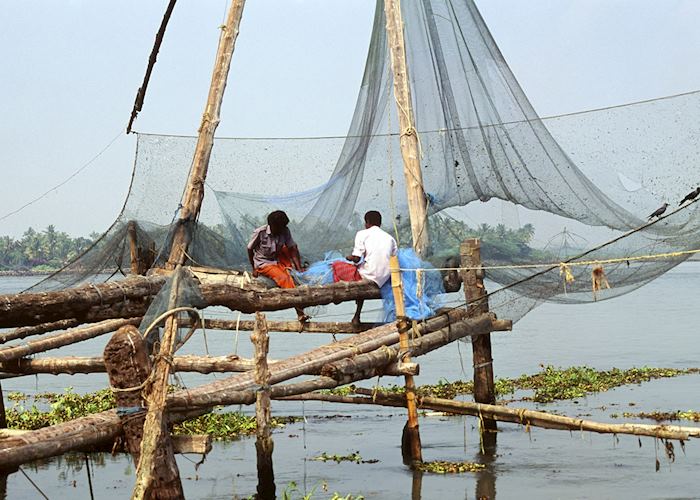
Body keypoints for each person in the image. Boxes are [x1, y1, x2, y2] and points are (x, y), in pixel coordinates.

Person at [332, 210, 397, 328]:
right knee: (362, 273)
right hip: (384, 278)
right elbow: (394, 258)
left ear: (367, 222)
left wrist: (349, 257)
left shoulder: (362, 234)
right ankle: (357, 316)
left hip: (368, 275)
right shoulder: (390, 238)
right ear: (380, 223)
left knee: (336, 265)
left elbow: (356, 258)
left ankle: (338, 294)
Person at [248, 210, 309, 322]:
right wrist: (254, 268)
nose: (282, 230)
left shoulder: (284, 230)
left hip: (278, 258)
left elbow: (292, 248)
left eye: (283, 227)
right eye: (280, 227)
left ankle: (295, 270)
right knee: (284, 278)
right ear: (272, 226)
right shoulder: (260, 232)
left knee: (292, 268)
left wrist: (299, 267)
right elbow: (249, 249)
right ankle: (300, 312)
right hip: (264, 262)